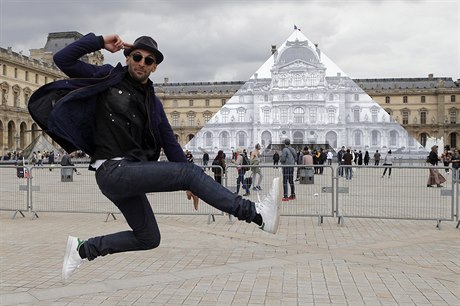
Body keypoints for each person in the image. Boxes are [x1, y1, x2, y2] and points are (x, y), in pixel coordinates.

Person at [28, 32, 281, 282]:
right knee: (190, 174)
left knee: (148, 237)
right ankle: (256, 215)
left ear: (155, 67)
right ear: (128, 58)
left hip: (127, 173)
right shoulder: (106, 75)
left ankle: (83, 250)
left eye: (149, 60)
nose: (142, 63)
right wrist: (99, 42)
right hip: (111, 170)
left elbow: (170, 143)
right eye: (137, 56)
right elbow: (63, 59)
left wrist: (194, 185)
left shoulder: (153, 104)